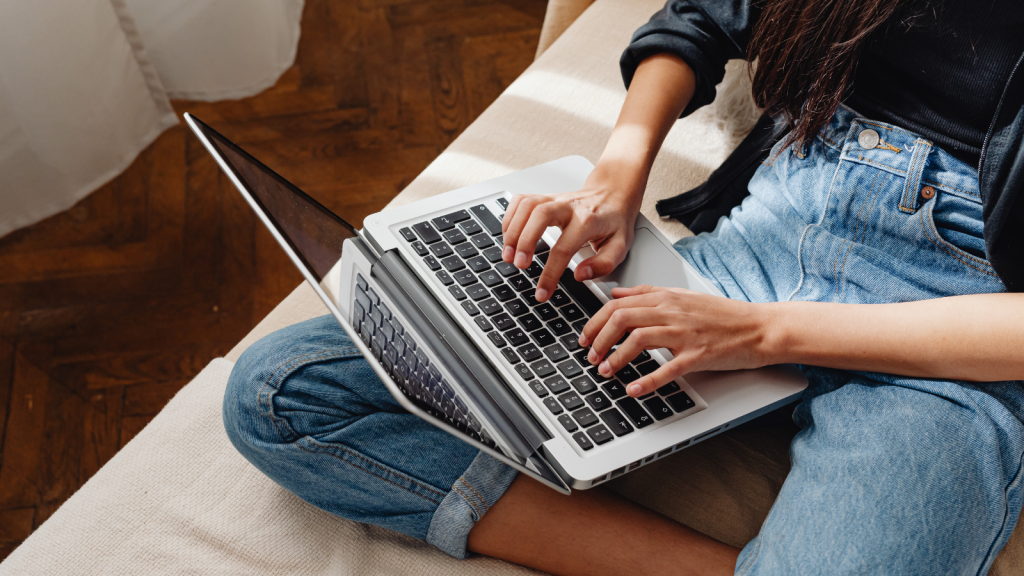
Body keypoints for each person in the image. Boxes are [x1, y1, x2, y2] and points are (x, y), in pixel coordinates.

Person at [222, 0, 1024, 573]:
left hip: (957, 323)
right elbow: (704, 17)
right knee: (283, 395)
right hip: (772, 230)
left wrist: (759, 334)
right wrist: (615, 177)